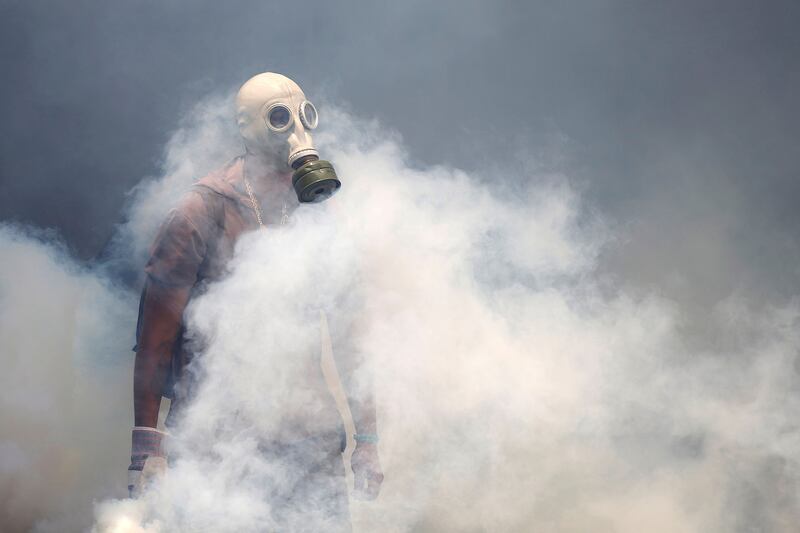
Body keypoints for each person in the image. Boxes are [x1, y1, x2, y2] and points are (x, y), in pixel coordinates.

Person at [128, 72, 383, 530]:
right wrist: (147, 448)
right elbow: (154, 342)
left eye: (302, 115)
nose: (296, 134)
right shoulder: (199, 212)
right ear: (249, 129)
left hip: (310, 441)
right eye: (279, 119)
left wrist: (367, 439)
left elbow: (351, 337)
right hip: (218, 445)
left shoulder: (319, 214)